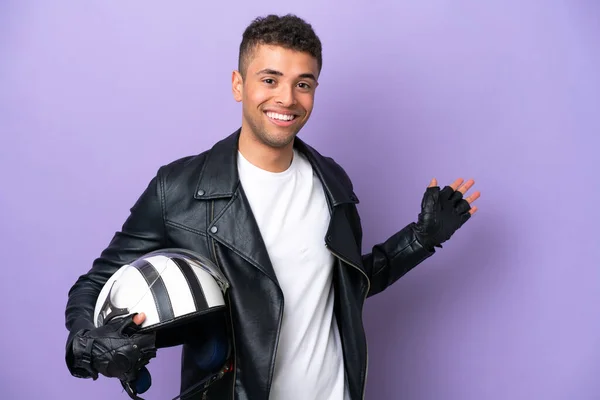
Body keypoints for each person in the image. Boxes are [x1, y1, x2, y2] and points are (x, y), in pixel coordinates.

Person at [64, 13, 480, 400]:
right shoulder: (178, 189)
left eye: (303, 83)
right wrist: (87, 342)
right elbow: (92, 285)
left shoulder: (332, 182)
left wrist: (421, 239)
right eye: (270, 79)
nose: (287, 99)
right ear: (238, 84)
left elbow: (344, 287)